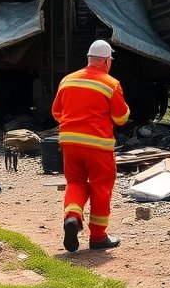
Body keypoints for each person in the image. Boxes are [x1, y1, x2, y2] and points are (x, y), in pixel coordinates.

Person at [52, 39, 130, 252]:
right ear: (106, 61)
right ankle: (97, 237)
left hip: (69, 142)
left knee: (75, 182)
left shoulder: (67, 80)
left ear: (88, 58)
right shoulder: (110, 83)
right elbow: (121, 117)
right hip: (98, 145)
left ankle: (73, 217)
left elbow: (57, 113)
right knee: (101, 187)